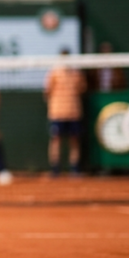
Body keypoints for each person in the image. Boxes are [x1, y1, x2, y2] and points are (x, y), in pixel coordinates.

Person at [44, 48, 87, 176]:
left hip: (74, 112)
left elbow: (82, 89)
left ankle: (75, 169)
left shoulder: (77, 74)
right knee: (56, 141)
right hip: (57, 113)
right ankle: (55, 169)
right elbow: (47, 91)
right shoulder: (54, 73)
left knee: (74, 140)